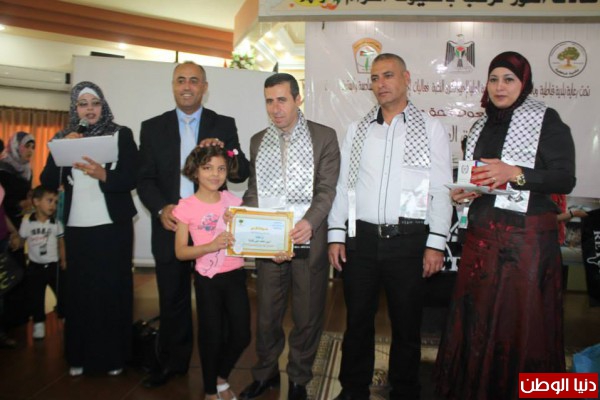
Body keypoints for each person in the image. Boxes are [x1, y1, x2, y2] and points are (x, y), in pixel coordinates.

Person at [434, 51, 576, 400]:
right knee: (478, 321)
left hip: (526, 245)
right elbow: (480, 177)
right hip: (483, 241)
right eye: (494, 79)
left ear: (524, 83)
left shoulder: (547, 120)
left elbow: (564, 178)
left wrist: (516, 174)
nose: (500, 87)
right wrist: (465, 192)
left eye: (509, 79)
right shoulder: (481, 125)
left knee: (521, 323)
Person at [327, 53, 453, 400]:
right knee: (357, 322)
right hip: (361, 240)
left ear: (406, 78)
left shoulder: (430, 128)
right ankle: (353, 390)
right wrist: (336, 234)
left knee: (407, 325)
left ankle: (405, 391)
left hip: (408, 241)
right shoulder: (359, 130)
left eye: (388, 75)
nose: (380, 84)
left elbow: (441, 190)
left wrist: (436, 242)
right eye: (374, 78)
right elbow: (344, 186)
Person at [137, 61, 250, 388]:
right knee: (172, 299)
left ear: (204, 87)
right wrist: (161, 208)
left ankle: (218, 372)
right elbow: (144, 179)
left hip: (215, 232)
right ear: (173, 85)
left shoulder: (223, 124)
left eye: (194, 81)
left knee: (218, 308)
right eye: (181, 80)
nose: (187, 86)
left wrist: (227, 151)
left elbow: (241, 172)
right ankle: (173, 363)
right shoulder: (152, 127)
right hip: (172, 226)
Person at [239, 73, 340, 400]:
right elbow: (254, 191)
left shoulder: (323, 137)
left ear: (298, 99)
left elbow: (327, 189)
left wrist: (310, 222)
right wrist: (243, 221)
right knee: (267, 316)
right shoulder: (258, 141)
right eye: (269, 101)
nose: (275, 108)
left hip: (308, 239)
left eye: (282, 100)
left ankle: (298, 379)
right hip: (270, 244)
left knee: (307, 316)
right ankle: (265, 374)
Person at [41, 81, 138, 376]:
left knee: (111, 290)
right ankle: (79, 356)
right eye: (83, 104)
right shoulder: (64, 137)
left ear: (103, 106)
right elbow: (47, 181)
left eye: (95, 103)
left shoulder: (120, 134)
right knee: (80, 292)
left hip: (112, 227)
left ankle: (114, 357)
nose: (90, 109)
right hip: (77, 227)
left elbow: (132, 177)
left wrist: (103, 174)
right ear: (75, 109)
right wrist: (63, 150)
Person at [173, 146, 250, 400]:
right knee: (211, 335)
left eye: (221, 168)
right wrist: (211, 245)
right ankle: (209, 390)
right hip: (207, 280)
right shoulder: (186, 206)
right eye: (207, 168)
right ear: (195, 171)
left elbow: (249, 239)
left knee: (242, 334)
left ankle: (220, 377)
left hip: (235, 276)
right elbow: (181, 252)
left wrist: (274, 248)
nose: (215, 174)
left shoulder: (234, 203)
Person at [16, 185, 66, 340]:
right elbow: (21, 239)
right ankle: (39, 323)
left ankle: (65, 316)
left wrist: (64, 259)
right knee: (36, 296)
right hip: (35, 267)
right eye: (49, 200)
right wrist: (16, 241)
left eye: (55, 202)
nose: (53, 205)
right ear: (36, 202)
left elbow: (61, 243)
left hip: (53, 265)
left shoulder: (55, 223)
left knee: (62, 293)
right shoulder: (27, 222)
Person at [0, 132, 35, 332]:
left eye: (32, 147)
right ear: (15, 147)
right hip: (5, 225)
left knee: (17, 271)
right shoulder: (3, 169)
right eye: (26, 146)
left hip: (18, 223)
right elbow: (3, 203)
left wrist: (29, 202)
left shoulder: (26, 170)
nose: (30, 150)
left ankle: (17, 319)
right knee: (7, 272)